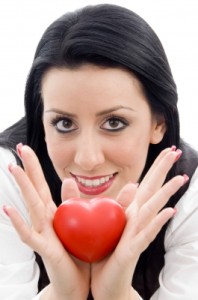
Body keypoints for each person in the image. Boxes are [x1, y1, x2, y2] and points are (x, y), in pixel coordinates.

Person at [0, 3, 198, 300]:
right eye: (64, 123)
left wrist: (117, 295)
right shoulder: (10, 177)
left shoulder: (189, 192)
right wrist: (62, 295)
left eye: (114, 122)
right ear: (41, 120)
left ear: (159, 122)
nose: (87, 160)